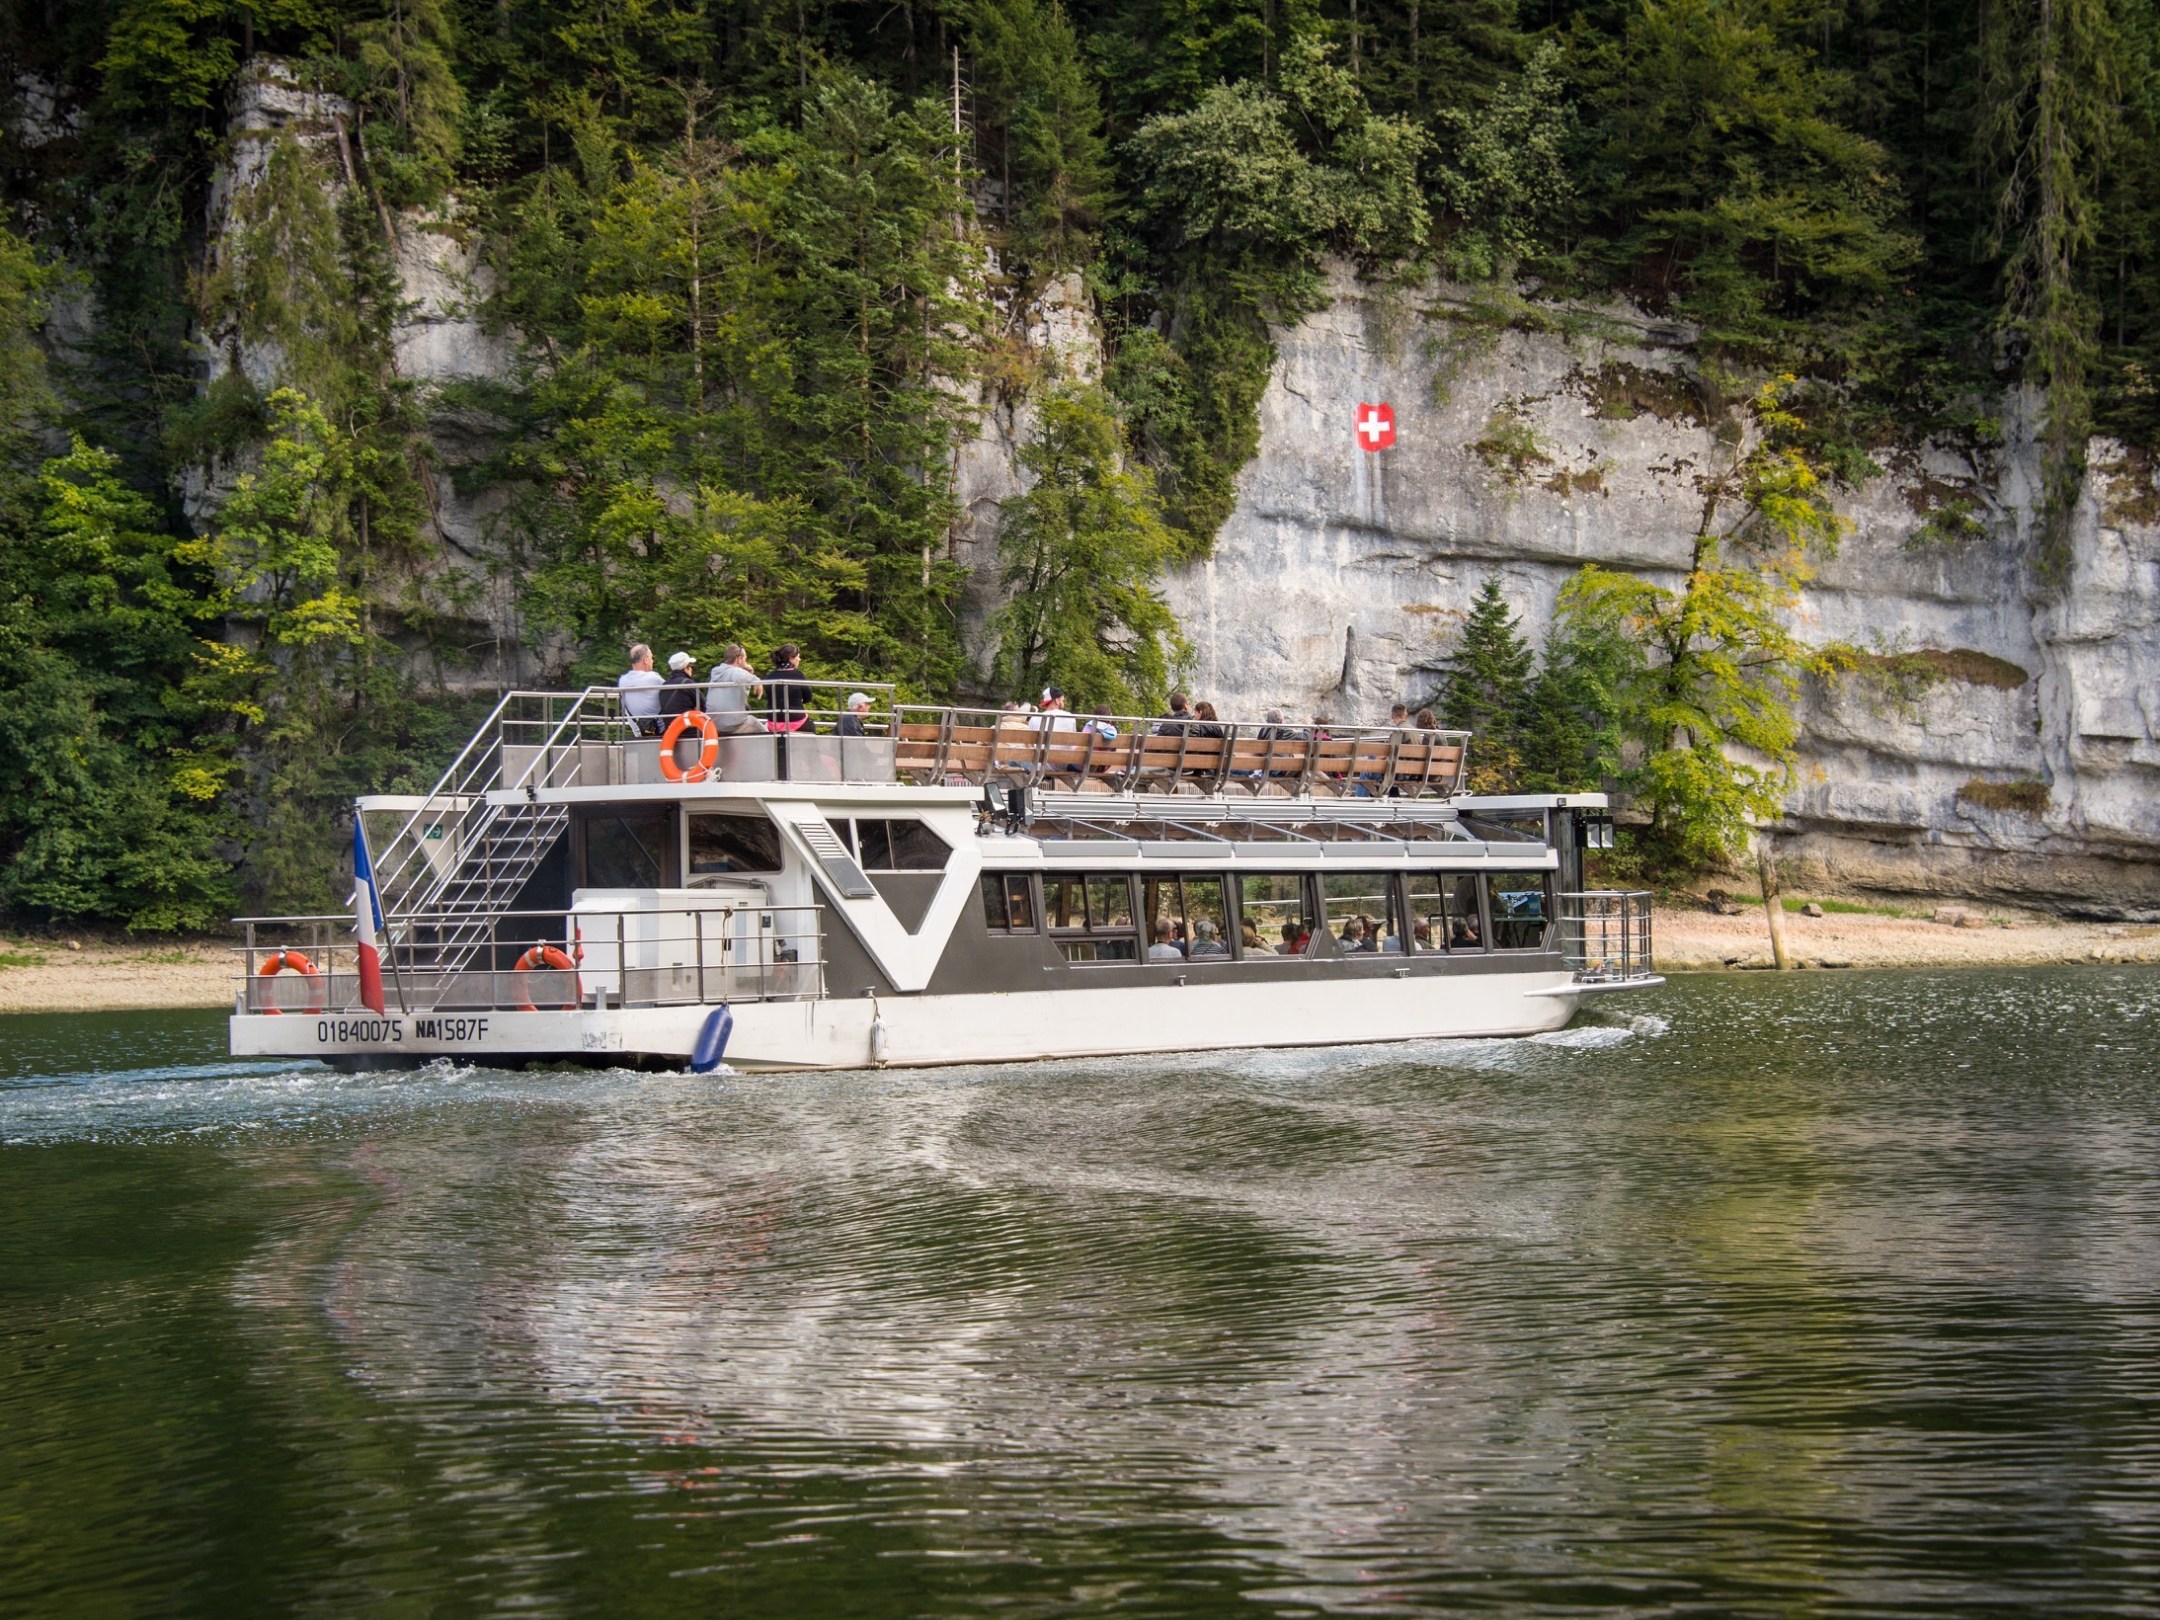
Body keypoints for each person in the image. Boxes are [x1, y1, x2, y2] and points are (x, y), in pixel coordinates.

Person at [705, 643, 764, 734]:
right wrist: (756, 681)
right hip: (731, 725)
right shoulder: (735, 671)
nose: (746, 662)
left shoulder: (717, 672)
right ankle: (777, 748)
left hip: (713, 723)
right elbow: (737, 674)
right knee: (758, 726)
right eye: (745, 659)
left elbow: (737, 676)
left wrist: (748, 673)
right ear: (739, 659)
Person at [618, 643, 664, 735]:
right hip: (660, 734)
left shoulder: (623, 681)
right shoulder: (654, 679)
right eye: (651, 658)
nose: (652, 661)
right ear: (646, 660)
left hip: (638, 736)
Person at [763, 643, 810, 732]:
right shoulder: (798, 675)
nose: (799, 659)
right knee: (810, 727)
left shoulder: (769, 676)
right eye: (798, 657)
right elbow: (808, 698)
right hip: (796, 721)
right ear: (791, 658)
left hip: (773, 723)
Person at [658, 650, 703, 718]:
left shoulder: (665, 685)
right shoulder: (688, 684)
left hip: (670, 726)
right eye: (690, 666)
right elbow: (703, 705)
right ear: (686, 668)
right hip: (687, 725)